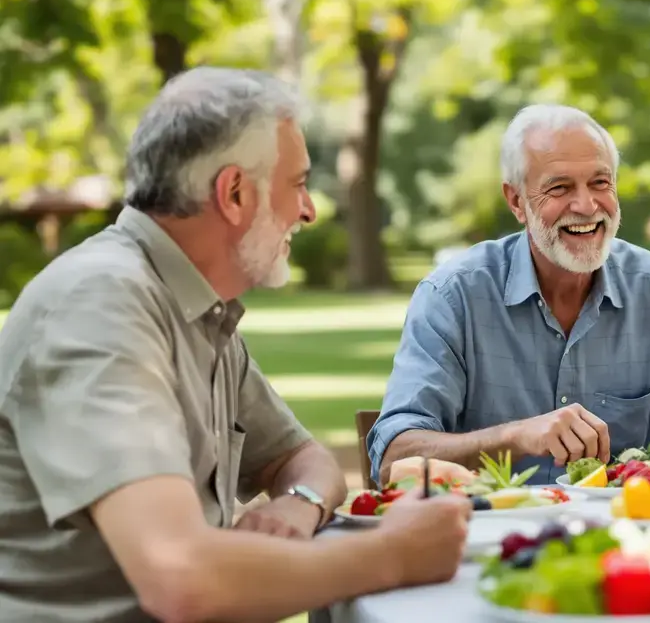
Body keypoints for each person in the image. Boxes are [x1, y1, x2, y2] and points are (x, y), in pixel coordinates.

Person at [0, 67, 471, 623]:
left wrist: (297, 507)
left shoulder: (195, 308)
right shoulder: (100, 307)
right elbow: (181, 579)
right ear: (235, 193)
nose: (309, 210)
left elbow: (304, 459)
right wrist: (394, 554)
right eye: (298, 183)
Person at [369, 104, 650, 485]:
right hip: (483, 530)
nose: (586, 206)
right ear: (516, 201)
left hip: (621, 535)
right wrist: (516, 437)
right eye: (560, 187)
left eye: (600, 183)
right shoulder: (453, 297)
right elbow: (393, 456)